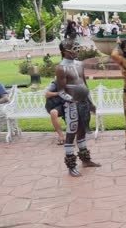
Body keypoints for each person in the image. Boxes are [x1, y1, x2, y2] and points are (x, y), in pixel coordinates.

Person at [56, 38, 100, 177]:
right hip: (71, 106)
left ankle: (85, 160)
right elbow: (61, 91)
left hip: (83, 103)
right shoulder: (61, 68)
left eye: (76, 47)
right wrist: (72, 100)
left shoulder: (80, 64)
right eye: (72, 48)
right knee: (71, 133)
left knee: (82, 131)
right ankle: (71, 166)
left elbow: (84, 85)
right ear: (64, 51)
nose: (75, 50)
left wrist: (90, 102)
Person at [44, 80, 65, 145]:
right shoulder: (55, 84)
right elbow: (46, 94)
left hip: (67, 104)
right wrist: (59, 93)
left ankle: (74, 135)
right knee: (53, 112)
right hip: (54, 105)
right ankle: (61, 135)